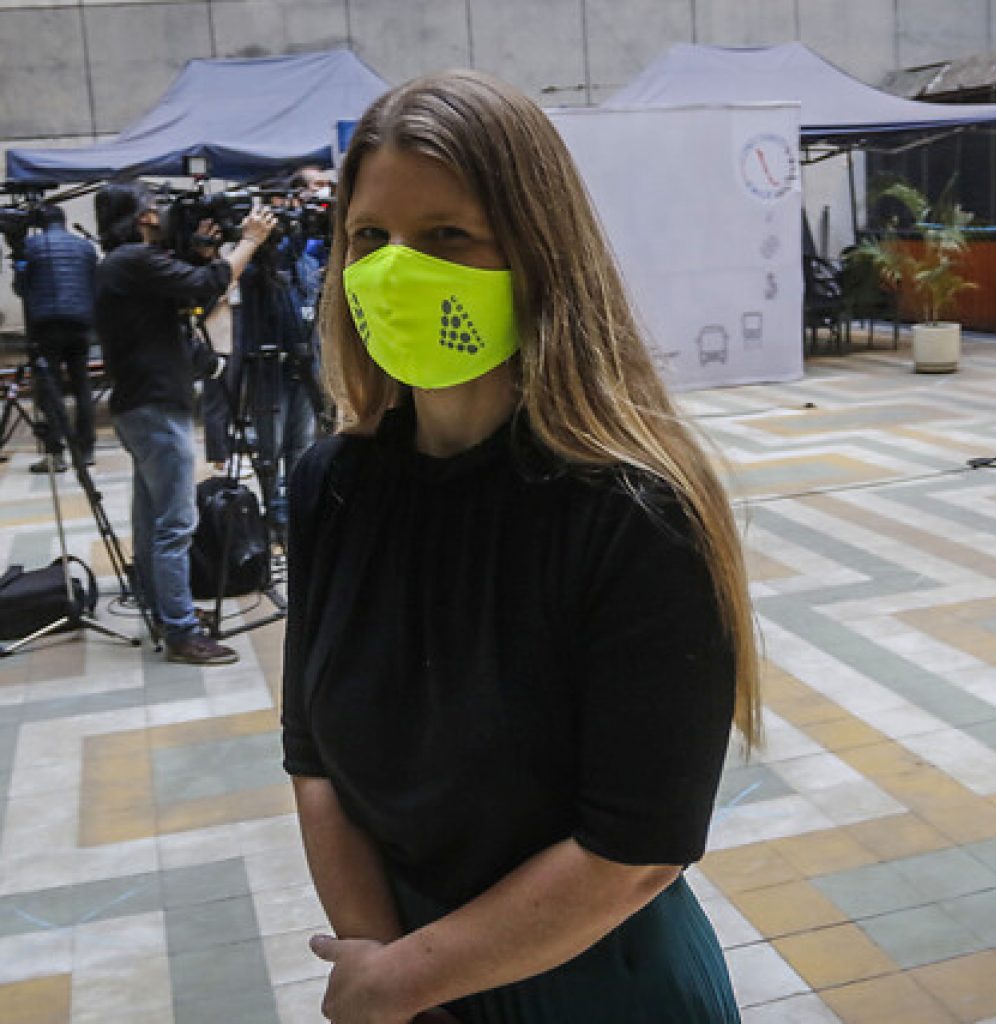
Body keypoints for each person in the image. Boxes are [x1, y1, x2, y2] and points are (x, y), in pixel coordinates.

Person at [282, 70, 761, 1023]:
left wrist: (403, 983)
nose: (396, 270)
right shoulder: (332, 486)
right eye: (369, 238)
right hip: (406, 966)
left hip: (597, 980)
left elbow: (636, 852)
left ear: (539, 252)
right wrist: (389, 974)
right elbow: (313, 762)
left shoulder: (634, 511)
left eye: (447, 236)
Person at [94, 182, 276, 665]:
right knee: (176, 524)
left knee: (153, 520)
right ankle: (181, 631)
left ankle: (166, 611)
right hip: (154, 407)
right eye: (153, 206)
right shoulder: (133, 259)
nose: (161, 212)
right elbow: (205, 284)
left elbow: (186, 285)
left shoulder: (125, 264)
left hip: (142, 405)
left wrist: (199, 252)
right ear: (141, 217)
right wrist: (250, 241)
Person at [13, 203, 98, 472]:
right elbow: (94, 284)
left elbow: (21, 287)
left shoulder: (31, 246)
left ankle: (56, 452)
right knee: (82, 385)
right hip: (80, 324)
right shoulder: (85, 247)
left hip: (46, 325)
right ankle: (86, 450)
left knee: (49, 388)